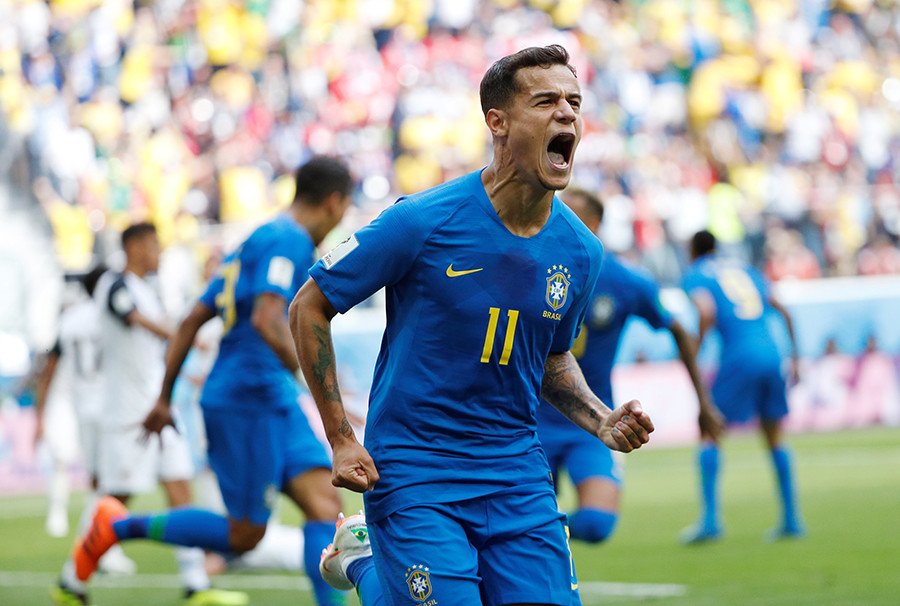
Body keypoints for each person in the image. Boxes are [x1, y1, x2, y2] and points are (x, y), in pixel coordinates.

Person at [290, 45, 655, 606]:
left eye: (574, 102)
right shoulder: (421, 222)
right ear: (498, 122)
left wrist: (599, 418)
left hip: (517, 473)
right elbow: (309, 306)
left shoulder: (581, 252)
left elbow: (551, 357)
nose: (566, 113)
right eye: (546, 101)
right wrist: (341, 438)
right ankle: (367, 563)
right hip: (416, 471)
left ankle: (363, 559)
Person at [57, 156, 355, 606]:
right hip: (246, 400)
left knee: (325, 506)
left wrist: (164, 398)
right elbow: (267, 318)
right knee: (245, 534)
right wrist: (316, 378)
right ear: (334, 202)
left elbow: (193, 318)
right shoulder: (288, 240)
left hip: (271, 397)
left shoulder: (257, 240)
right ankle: (114, 527)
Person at [54, 224, 247, 606]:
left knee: (180, 489)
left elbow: (151, 351)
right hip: (128, 415)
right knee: (115, 499)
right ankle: (71, 580)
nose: (159, 252)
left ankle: (196, 584)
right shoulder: (113, 284)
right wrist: (183, 336)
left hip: (160, 409)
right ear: (134, 247)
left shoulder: (150, 291)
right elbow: (136, 319)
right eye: (154, 245)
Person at [537, 189, 724, 545]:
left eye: (567, 215)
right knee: (521, 524)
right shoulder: (529, 267)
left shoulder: (625, 281)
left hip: (590, 420)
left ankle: (538, 532)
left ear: (593, 225)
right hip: (529, 421)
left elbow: (678, 329)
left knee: (596, 524)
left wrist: (703, 402)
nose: (554, 221)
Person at [680, 229, 804, 543]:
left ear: (693, 250)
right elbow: (782, 308)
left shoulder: (696, 274)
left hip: (739, 357)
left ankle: (710, 522)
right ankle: (791, 520)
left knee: (710, 430)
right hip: (771, 353)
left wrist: (696, 346)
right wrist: (796, 357)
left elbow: (705, 310)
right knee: (774, 435)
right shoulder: (744, 268)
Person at [34, 266, 137, 573]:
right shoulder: (107, 315)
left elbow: (50, 366)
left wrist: (40, 412)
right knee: (116, 480)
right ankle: (97, 546)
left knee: (98, 478)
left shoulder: (69, 320)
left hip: (80, 404)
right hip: (111, 403)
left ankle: (93, 545)